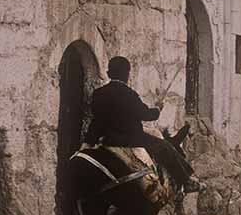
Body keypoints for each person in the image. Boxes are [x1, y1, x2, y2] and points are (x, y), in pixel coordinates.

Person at [85, 56, 199, 192]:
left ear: (109, 74)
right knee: (165, 147)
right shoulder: (130, 95)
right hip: (133, 140)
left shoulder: (99, 94)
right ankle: (185, 181)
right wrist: (157, 109)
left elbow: (97, 121)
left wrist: (88, 142)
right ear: (127, 75)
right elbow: (146, 115)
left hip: (109, 140)